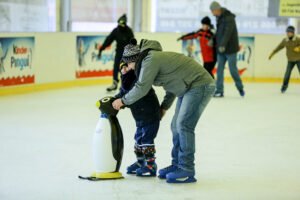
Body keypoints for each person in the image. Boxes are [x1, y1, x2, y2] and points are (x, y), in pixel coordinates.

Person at [112, 38, 215, 183]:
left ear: (135, 59)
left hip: (199, 84)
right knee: (175, 127)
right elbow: (172, 85)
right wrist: (165, 106)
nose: (128, 67)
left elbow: (142, 87)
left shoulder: (150, 60)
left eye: (129, 63)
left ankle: (187, 168)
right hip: (186, 88)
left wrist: (122, 101)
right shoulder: (150, 60)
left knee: (184, 125)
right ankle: (177, 165)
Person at [115, 60, 161, 177]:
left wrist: (123, 103)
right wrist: (113, 100)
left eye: (126, 67)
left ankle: (151, 165)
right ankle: (141, 162)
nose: (124, 70)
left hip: (150, 115)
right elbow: (123, 93)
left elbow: (135, 97)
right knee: (138, 139)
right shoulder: (126, 79)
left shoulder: (138, 79)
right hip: (140, 117)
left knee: (146, 140)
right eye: (122, 68)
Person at [210, 1, 245, 97]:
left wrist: (222, 44)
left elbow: (227, 33)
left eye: (212, 11)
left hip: (230, 49)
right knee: (219, 70)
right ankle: (219, 90)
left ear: (217, 10)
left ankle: (240, 87)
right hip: (221, 50)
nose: (212, 13)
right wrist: (213, 40)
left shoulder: (229, 18)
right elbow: (219, 32)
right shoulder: (219, 18)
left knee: (233, 69)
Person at [98, 14, 134, 92]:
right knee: (116, 67)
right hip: (118, 52)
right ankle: (114, 83)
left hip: (127, 54)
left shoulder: (129, 31)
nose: (119, 25)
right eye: (118, 23)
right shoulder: (116, 30)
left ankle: (124, 85)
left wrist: (132, 54)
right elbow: (108, 40)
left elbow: (132, 43)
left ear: (125, 24)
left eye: (121, 23)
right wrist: (101, 48)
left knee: (124, 68)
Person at [268, 26, 300, 93]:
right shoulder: (285, 40)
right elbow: (279, 47)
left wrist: (299, 48)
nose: (287, 34)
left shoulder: (297, 39)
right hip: (290, 60)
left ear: (293, 33)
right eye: (287, 32)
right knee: (287, 74)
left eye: (289, 32)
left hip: (298, 59)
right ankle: (284, 87)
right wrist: (273, 53)